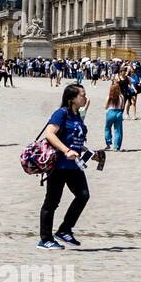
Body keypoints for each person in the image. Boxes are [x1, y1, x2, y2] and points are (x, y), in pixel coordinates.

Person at [39, 84, 98, 250]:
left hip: (74, 165)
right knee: (52, 202)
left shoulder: (77, 115)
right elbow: (49, 134)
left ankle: (65, 229)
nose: (85, 98)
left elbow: (76, 141)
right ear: (72, 98)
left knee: (83, 195)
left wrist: (90, 153)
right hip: (58, 164)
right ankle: (45, 239)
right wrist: (66, 150)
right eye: (82, 95)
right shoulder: (61, 113)